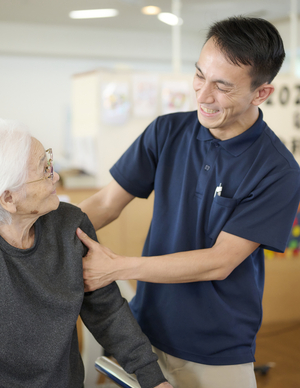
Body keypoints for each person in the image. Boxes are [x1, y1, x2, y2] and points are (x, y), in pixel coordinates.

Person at [77, 17, 300, 388]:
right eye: (200, 75)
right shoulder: (167, 132)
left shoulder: (278, 170)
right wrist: (39, 235)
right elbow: (106, 202)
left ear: (260, 93)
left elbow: (219, 261)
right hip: (144, 335)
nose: (202, 95)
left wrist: (116, 267)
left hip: (216, 349)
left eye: (222, 87)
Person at [0, 119, 173, 388]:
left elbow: (107, 311)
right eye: (43, 171)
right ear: (8, 199)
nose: (55, 176)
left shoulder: (70, 225)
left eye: (50, 163)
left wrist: (152, 377)